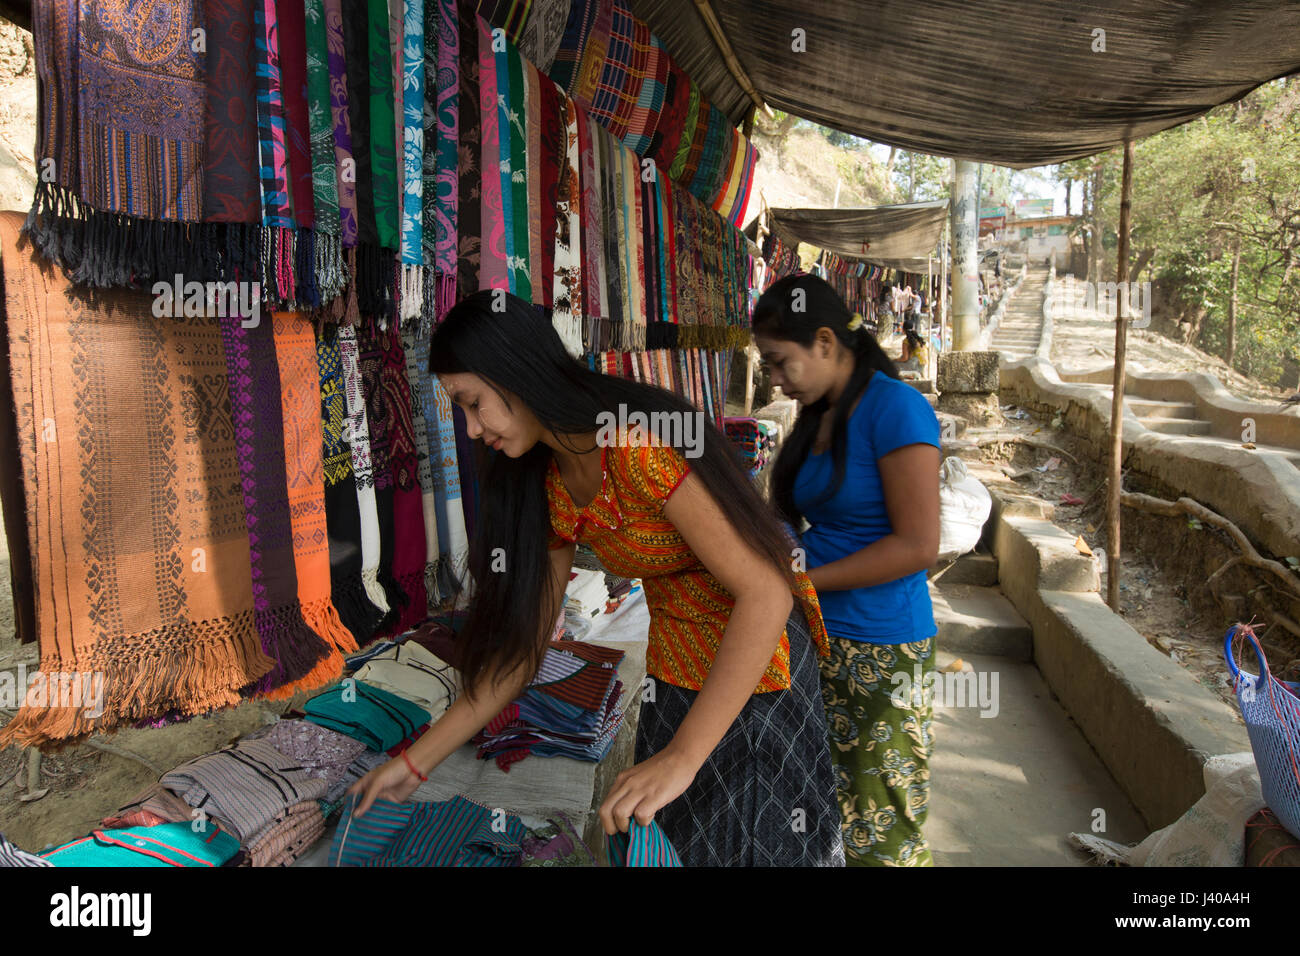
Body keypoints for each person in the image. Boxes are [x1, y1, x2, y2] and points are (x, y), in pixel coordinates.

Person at [349, 290, 844, 867]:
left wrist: (681, 758)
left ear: (515, 374)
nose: (473, 428)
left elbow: (764, 592)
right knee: (672, 847)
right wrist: (414, 764)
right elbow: (521, 653)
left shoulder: (634, 446)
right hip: (678, 667)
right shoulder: (549, 482)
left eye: (473, 402)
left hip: (755, 671)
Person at [752, 273, 941, 867]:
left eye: (781, 362)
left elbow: (917, 545)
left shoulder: (896, 409)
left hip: (881, 650)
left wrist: (801, 581)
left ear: (827, 343)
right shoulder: (819, 415)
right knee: (821, 809)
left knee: (882, 822)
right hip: (817, 635)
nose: (776, 379)